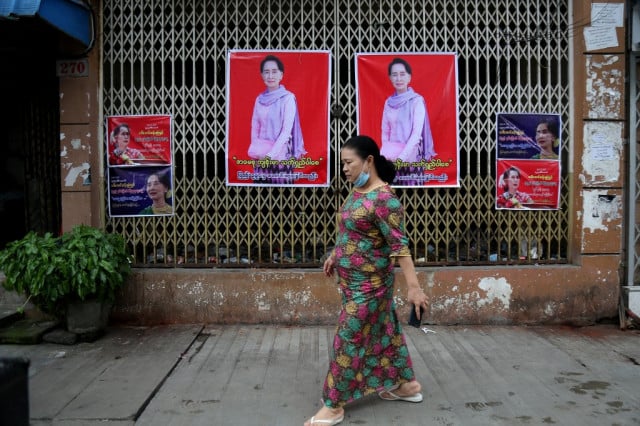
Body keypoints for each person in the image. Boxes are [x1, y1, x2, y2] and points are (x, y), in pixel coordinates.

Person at [304, 135, 429, 426]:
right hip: (351, 284)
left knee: (348, 338)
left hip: (370, 286)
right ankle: (406, 386)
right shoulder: (358, 192)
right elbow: (351, 230)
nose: (344, 168)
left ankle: (334, 405)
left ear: (368, 161)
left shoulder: (385, 199)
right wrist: (336, 254)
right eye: (342, 163)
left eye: (349, 162)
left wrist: (414, 287)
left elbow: (400, 246)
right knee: (386, 331)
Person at [247, 54, 306, 184]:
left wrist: (270, 156)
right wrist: (257, 151)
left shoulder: (288, 98)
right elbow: (255, 128)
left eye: (274, 72)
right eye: (266, 72)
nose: (270, 76)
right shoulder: (259, 99)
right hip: (261, 158)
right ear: (262, 75)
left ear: (281, 75)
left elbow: (286, 131)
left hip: (280, 158)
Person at [381, 58, 436, 186]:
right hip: (390, 160)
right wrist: (386, 156)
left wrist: (401, 160)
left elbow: (416, 135)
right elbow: (385, 131)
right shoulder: (388, 103)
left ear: (409, 77)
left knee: (411, 195)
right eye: (394, 75)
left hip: (410, 161)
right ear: (390, 78)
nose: (398, 78)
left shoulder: (417, 101)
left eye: (402, 74)